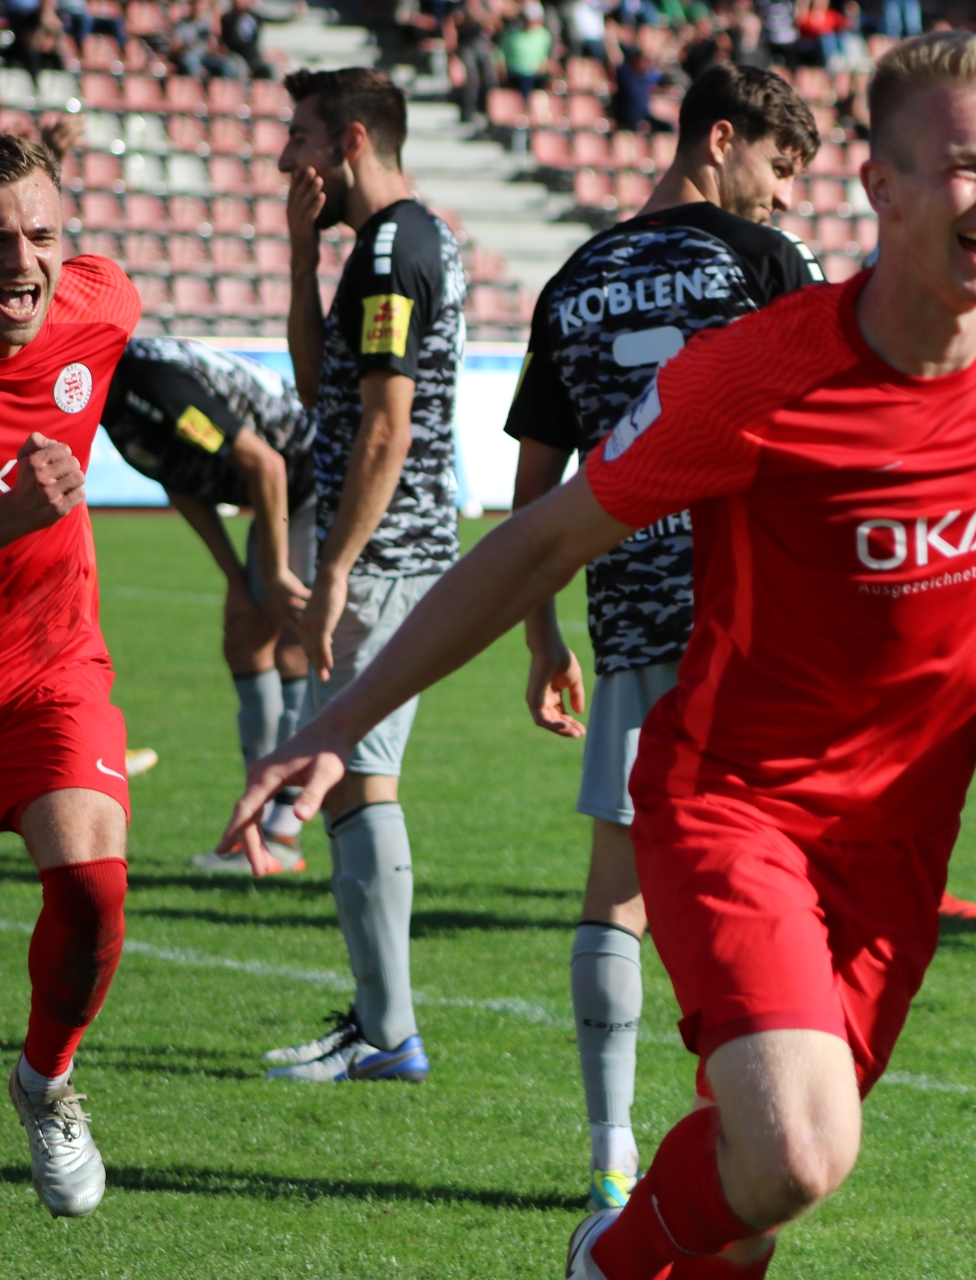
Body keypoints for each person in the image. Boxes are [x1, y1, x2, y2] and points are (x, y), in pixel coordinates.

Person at [219, 31, 976, 1280]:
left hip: (906, 833)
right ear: (882, 187)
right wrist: (339, 720)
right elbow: (540, 538)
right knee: (802, 1145)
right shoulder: (757, 378)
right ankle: (604, 1258)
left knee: (759, 1188)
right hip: (740, 805)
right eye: (965, 168)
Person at [505, 61, 824, 1213]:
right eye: (780, 167)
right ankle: (760, 1130)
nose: (784, 196)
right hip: (757, 619)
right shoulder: (766, 263)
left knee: (617, 895)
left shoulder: (573, 280)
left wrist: (542, 632)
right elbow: (828, 432)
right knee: (776, 883)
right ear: (720, 140)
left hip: (630, 617)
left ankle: (609, 1152)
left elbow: (536, 489)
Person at [262, 67, 466, 1085]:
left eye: (299, 137)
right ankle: (382, 1027)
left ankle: (388, 1034)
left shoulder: (394, 250)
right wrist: (303, 254)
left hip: (383, 553)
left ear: (350, 141)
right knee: (345, 774)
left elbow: (388, 427)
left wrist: (338, 563)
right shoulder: (381, 246)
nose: (284, 159)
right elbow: (320, 386)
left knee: (354, 776)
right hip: (382, 546)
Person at [0, 132, 141, 1219]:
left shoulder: (102, 305)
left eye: (40, 234)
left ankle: (45, 1080)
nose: (21, 262)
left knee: (94, 889)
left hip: (49, 668)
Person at [98, 336, 318, 874]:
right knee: (245, 634)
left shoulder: (157, 380)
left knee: (293, 640)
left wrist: (272, 572)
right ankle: (255, 824)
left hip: (317, 478)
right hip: (282, 489)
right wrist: (236, 581)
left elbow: (267, 464)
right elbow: (179, 483)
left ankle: (280, 837)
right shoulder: (107, 400)